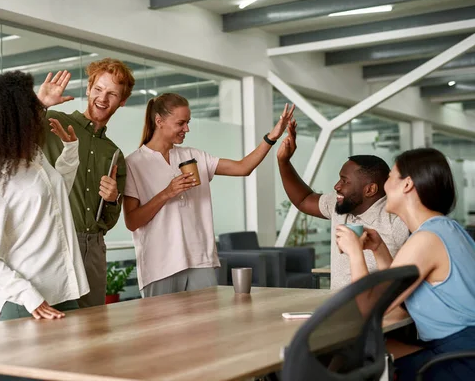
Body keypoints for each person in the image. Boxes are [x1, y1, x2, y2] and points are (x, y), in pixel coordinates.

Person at [123, 92, 295, 297]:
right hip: (159, 265)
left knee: (208, 328)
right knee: (164, 329)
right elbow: (132, 221)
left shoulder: (194, 156)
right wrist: (167, 193)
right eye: (181, 123)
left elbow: (243, 167)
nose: (187, 128)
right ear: (159, 121)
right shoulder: (134, 163)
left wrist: (272, 137)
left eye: (188, 122)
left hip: (200, 260)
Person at [0, 71, 89, 321]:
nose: (34, 115)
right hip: (27, 304)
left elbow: (55, 199)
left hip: (64, 290)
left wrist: (70, 152)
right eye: (28, 107)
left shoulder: (33, 157)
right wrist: (30, 297)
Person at [336, 148, 475, 381]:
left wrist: (354, 253)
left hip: (460, 362)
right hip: (460, 349)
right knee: (362, 351)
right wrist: (379, 249)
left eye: (390, 177)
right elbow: (396, 291)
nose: (384, 187)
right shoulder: (444, 229)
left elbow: (368, 309)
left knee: (352, 360)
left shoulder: (426, 239)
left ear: (407, 184)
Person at [37, 59, 135, 308]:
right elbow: (11, 132)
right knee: (55, 327)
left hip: (94, 249)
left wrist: (113, 199)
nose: (103, 98)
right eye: (99, 89)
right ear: (88, 89)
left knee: (94, 328)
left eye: (112, 94)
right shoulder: (52, 121)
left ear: (122, 101)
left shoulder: (114, 153)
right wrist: (40, 104)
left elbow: (109, 221)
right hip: (56, 243)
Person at [276, 120, 409, 289]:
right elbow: (304, 200)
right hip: (339, 308)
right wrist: (284, 162)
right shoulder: (341, 204)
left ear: (370, 189)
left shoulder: (396, 219)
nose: (337, 186)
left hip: (378, 311)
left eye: (345, 181)